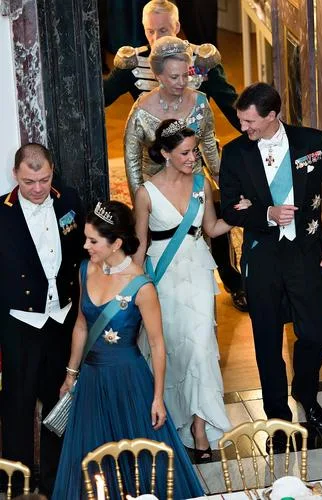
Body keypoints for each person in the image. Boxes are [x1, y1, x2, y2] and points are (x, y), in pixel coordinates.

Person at [220, 83, 322, 450]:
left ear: (273, 115)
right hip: (262, 256)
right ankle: (277, 415)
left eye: (250, 121)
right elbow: (228, 208)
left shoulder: (313, 142)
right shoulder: (235, 154)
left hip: (306, 251)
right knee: (266, 339)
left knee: (316, 330)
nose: (244, 128)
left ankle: (306, 394)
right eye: (242, 121)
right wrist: (266, 213)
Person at [52, 201, 204, 499]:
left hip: (129, 382)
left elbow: (158, 344)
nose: (86, 246)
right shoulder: (86, 270)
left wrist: (158, 397)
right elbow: (82, 325)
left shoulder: (142, 286)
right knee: (93, 462)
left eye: (93, 240)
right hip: (92, 382)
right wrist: (71, 374)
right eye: (86, 238)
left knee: (142, 462)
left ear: (116, 243)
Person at [134, 119, 250, 462]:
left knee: (201, 350)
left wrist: (240, 214)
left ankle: (199, 429)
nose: (193, 157)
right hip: (163, 278)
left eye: (195, 150)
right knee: (171, 352)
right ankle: (171, 424)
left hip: (199, 272)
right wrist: (129, 288)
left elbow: (212, 228)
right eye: (185, 152)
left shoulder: (201, 184)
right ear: (166, 154)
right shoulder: (146, 193)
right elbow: (139, 248)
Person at [124, 35, 248, 312]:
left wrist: (225, 189)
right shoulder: (140, 112)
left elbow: (210, 149)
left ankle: (218, 291)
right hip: (155, 189)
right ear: (157, 75)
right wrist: (142, 203)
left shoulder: (201, 103)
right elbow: (132, 162)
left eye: (186, 75)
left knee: (204, 235)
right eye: (173, 77)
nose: (181, 83)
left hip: (192, 182)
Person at [0, 143, 85, 496]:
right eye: (29, 181)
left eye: (44, 180)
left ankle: (56, 483)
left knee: (58, 405)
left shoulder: (69, 202)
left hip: (61, 320)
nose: (37, 189)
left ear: (52, 172)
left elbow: (82, 254)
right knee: (17, 408)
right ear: (15, 175)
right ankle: (16, 485)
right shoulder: (1, 214)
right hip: (20, 324)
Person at [104, 0, 240, 131]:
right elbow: (101, 97)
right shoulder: (133, 62)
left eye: (163, 30)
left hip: (195, 150)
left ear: (177, 27)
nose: (156, 38)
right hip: (151, 151)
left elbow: (232, 107)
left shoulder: (202, 61)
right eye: (150, 31)